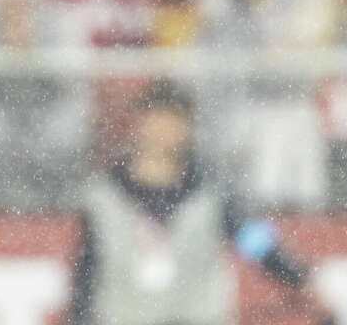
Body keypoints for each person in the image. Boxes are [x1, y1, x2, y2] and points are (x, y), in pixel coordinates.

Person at [71, 81, 323, 325]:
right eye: (160, 120)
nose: (166, 131)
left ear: (188, 128)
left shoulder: (211, 192)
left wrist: (297, 276)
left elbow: (252, 239)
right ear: (141, 123)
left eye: (176, 121)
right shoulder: (104, 196)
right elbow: (87, 269)